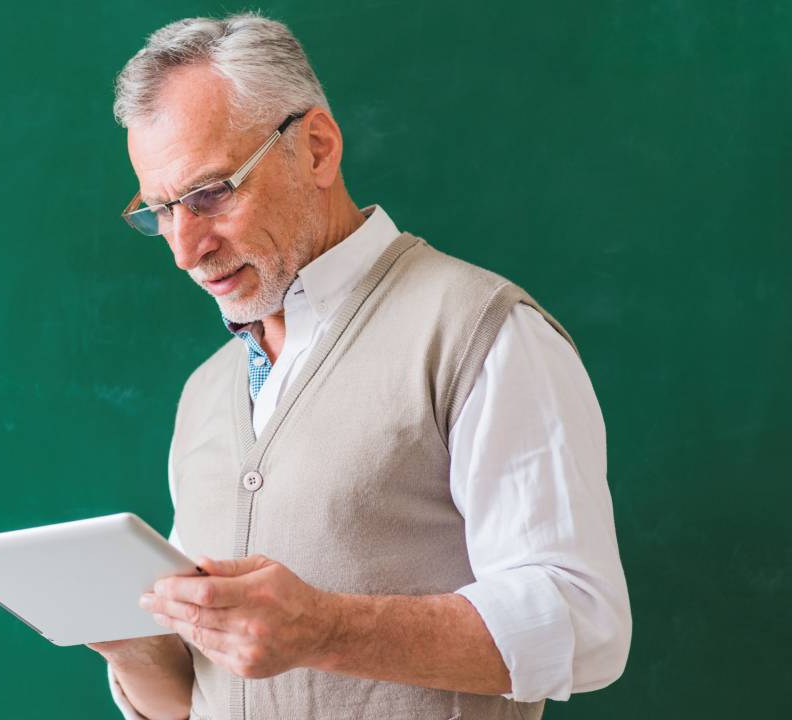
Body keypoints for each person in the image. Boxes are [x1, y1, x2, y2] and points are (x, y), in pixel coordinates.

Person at [87, 13, 632, 720]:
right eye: (161, 210)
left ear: (316, 148)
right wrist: (128, 643)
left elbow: (585, 626)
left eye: (211, 193)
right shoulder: (205, 391)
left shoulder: (479, 331)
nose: (185, 249)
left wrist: (325, 629)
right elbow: (195, 699)